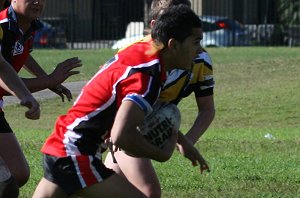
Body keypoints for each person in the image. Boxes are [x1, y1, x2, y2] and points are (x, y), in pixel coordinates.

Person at [33, 5, 206, 198]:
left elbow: (140, 110)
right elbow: (121, 135)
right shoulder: (147, 75)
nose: (199, 50)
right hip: (76, 152)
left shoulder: (145, 51)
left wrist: (181, 140)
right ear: (173, 45)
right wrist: (161, 155)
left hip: (62, 144)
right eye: (196, 42)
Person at [104, 0, 215, 197]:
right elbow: (108, 93)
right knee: (149, 192)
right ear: (156, 26)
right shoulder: (142, 59)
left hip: (127, 129)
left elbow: (207, 109)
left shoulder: (199, 60)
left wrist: (186, 141)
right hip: (116, 127)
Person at [0, 0, 82, 197]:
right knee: (7, 183)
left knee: (18, 175)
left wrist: (49, 81)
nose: (38, 2)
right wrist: (47, 81)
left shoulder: (28, 25)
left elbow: (20, 54)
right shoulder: (4, 25)